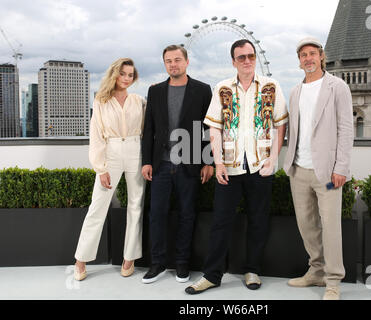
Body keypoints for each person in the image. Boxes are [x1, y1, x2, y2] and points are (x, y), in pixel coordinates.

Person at [185, 39, 288, 294]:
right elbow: (215, 127)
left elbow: (280, 125)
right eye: (241, 57)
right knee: (221, 222)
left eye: (250, 56)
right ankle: (212, 275)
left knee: (258, 220)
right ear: (233, 61)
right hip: (229, 168)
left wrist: (273, 159)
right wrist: (218, 162)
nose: (247, 60)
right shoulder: (222, 88)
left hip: (260, 167)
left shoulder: (271, 86)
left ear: (255, 58)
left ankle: (252, 270)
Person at [283, 37, 354, 300]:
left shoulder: (338, 87)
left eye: (312, 53)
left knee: (331, 226)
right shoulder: (295, 91)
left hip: (327, 173)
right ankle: (316, 271)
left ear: (321, 56)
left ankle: (333, 281)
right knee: (307, 225)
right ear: (299, 61)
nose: (308, 58)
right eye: (303, 55)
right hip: (299, 170)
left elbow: (346, 129)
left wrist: (341, 168)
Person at [141, 45, 214, 284]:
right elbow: (148, 129)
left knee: (187, 215)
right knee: (157, 215)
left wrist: (208, 161)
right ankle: (158, 263)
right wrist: (146, 162)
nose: (173, 64)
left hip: (190, 163)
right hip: (160, 165)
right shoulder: (156, 92)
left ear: (186, 61)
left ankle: (182, 264)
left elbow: (208, 129)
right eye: (168, 61)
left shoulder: (203, 90)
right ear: (164, 64)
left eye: (177, 60)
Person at [74, 58, 146, 281]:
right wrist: (100, 167)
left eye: (130, 75)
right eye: (123, 73)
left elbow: (149, 127)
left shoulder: (139, 100)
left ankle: (130, 257)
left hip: (136, 149)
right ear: (114, 74)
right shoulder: (101, 100)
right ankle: (81, 259)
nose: (126, 78)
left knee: (136, 205)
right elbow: (95, 135)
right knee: (98, 206)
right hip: (111, 151)